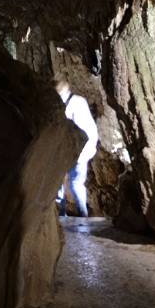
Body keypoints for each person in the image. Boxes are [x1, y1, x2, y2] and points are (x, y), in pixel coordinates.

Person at [55, 78, 99, 217]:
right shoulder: (79, 101)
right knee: (75, 184)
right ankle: (80, 215)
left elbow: (79, 131)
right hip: (79, 150)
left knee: (63, 184)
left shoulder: (73, 103)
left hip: (76, 150)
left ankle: (64, 216)